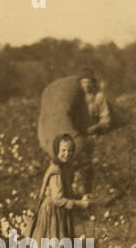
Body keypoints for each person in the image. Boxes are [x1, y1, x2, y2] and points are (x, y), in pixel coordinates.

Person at [27, 133, 91, 248]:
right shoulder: (56, 171)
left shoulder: (65, 168)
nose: (66, 154)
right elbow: (57, 198)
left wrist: (78, 197)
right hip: (52, 212)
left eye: (70, 151)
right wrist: (79, 204)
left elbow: (65, 193)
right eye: (63, 150)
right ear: (56, 150)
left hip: (59, 212)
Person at [36, 68, 113, 196]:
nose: (86, 85)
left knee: (86, 167)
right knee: (68, 165)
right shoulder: (75, 97)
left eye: (89, 82)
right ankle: (66, 192)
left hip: (90, 136)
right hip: (75, 135)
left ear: (93, 83)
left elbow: (106, 120)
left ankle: (86, 193)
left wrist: (96, 128)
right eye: (84, 82)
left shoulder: (99, 98)